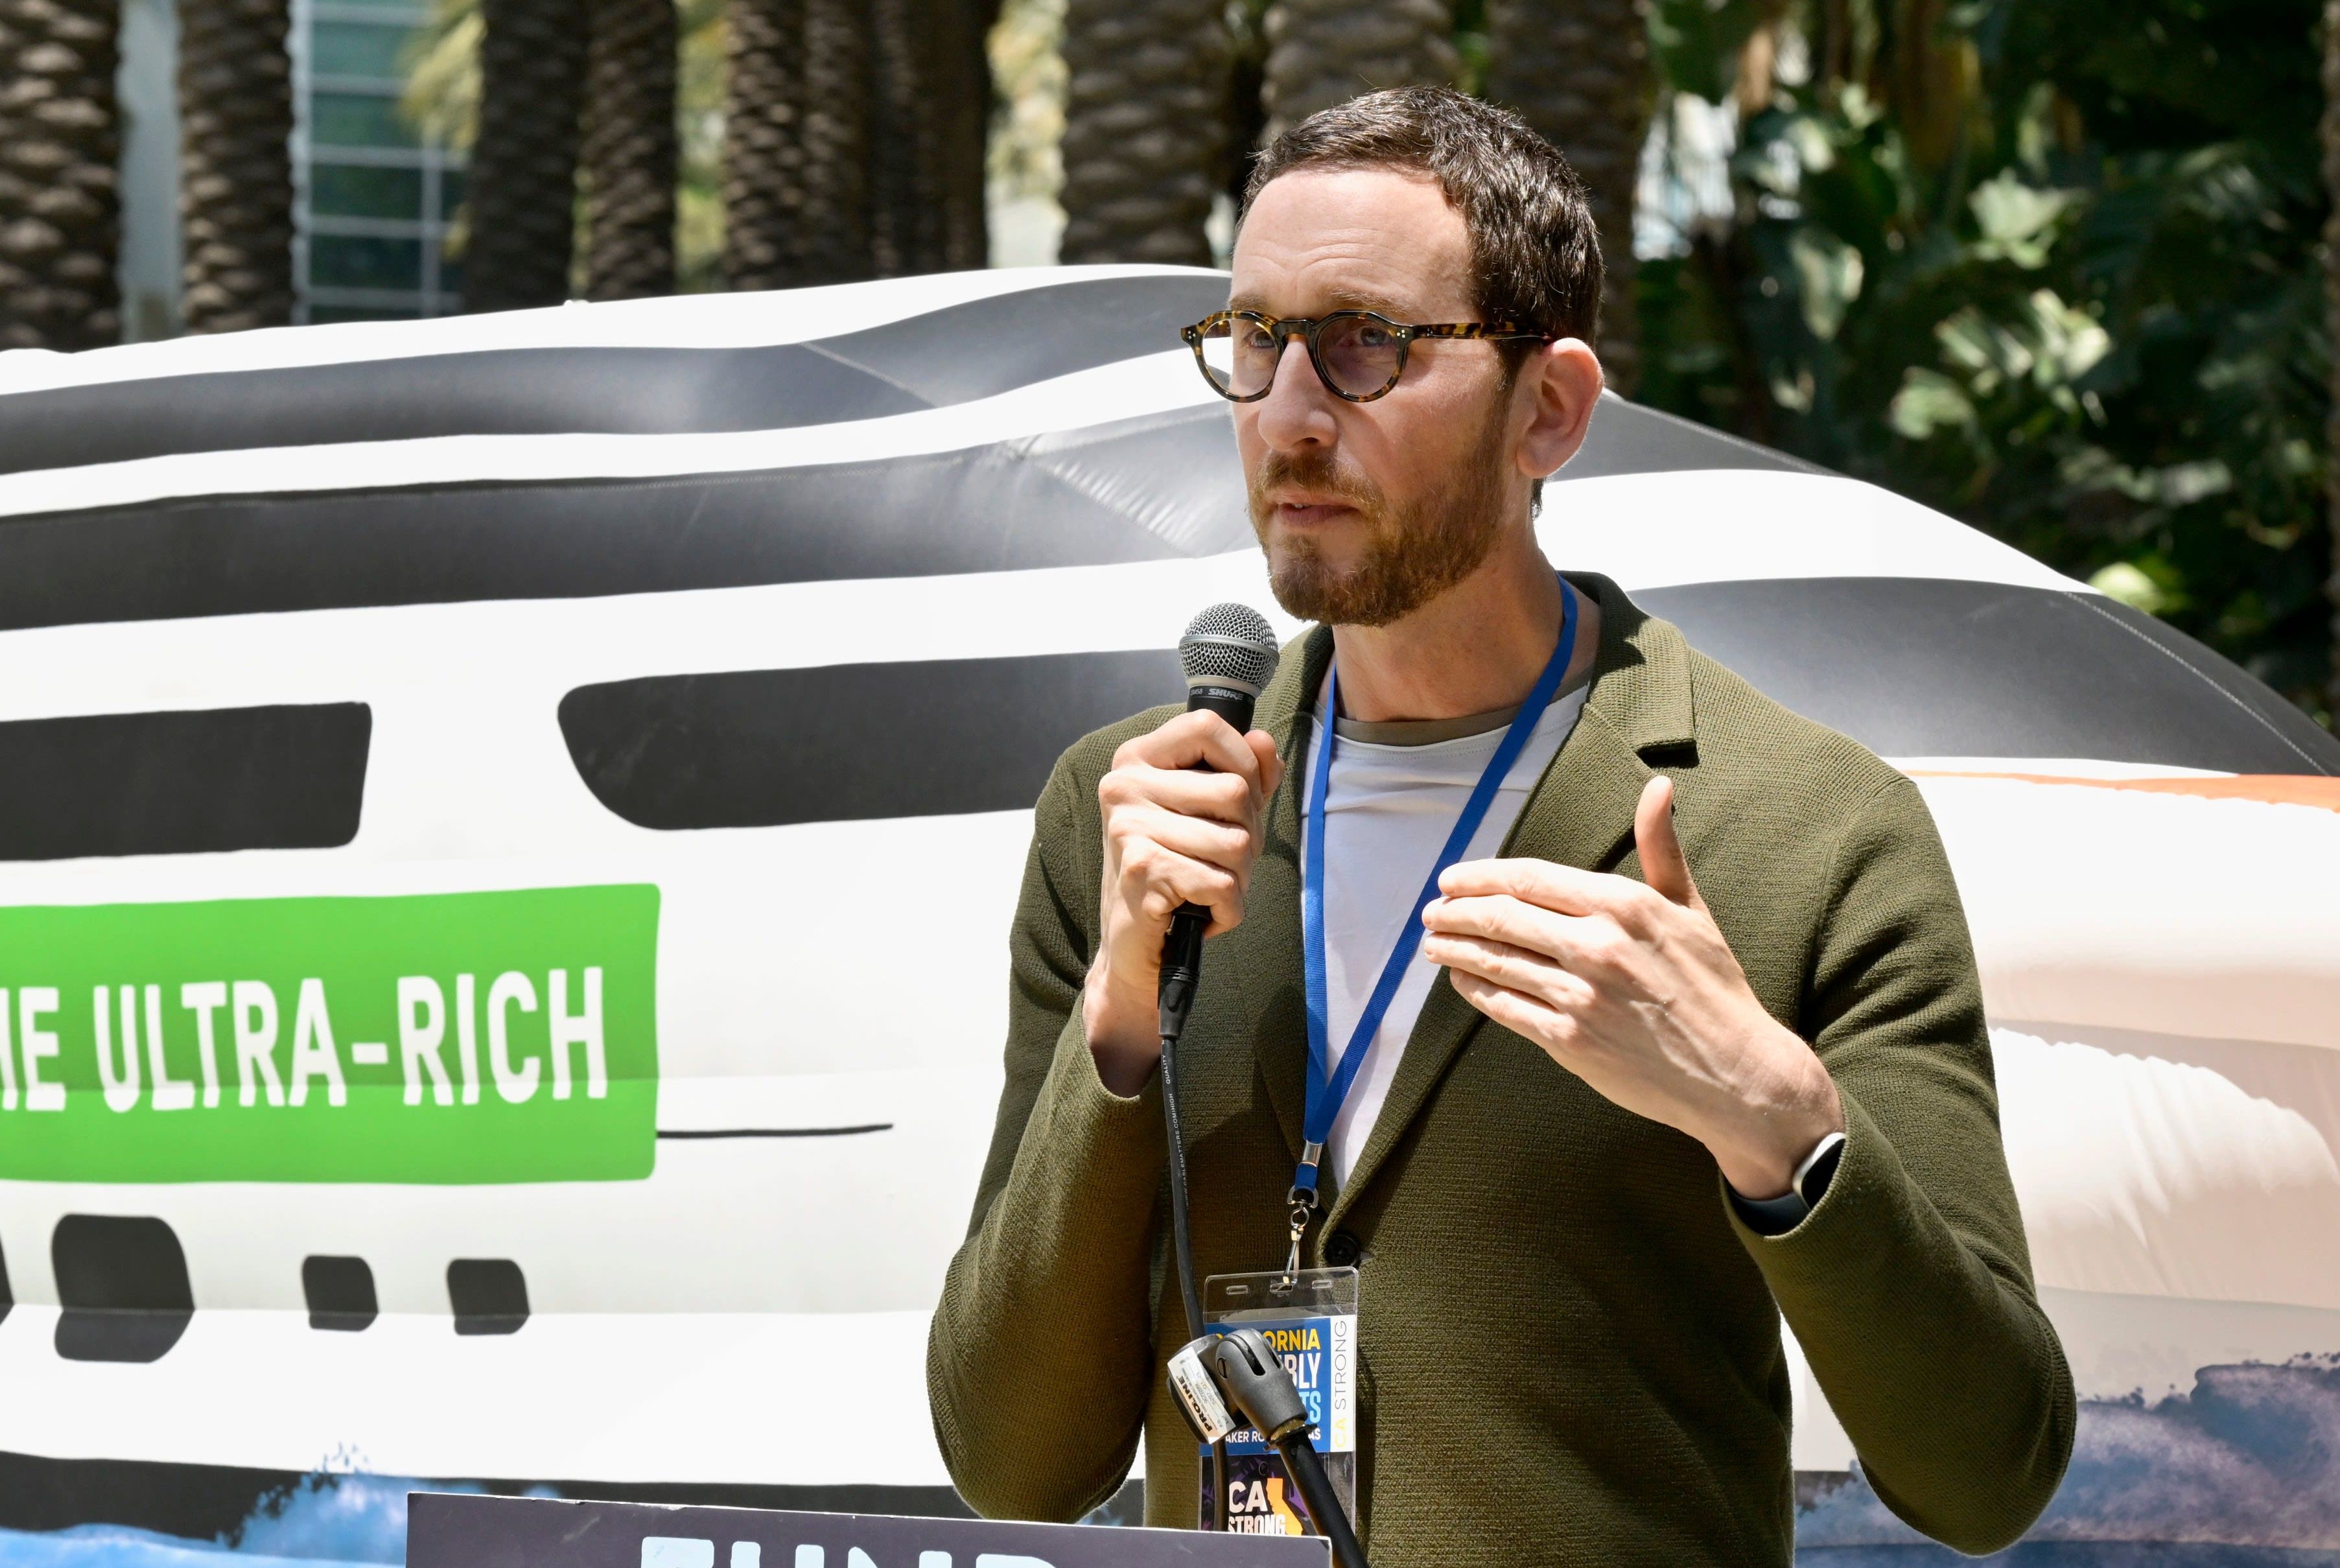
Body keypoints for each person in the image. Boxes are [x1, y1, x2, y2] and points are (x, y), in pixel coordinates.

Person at [926, 85, 2074, 1568]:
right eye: (1256, 340)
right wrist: (1120, 1027)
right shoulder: (1134, 817)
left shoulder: (1807, 827)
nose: (1285, 411)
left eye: (1362, 343)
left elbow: (1988, 1475)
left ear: (1550, 408)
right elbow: (1010, 1461)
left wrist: (1769, 1121)